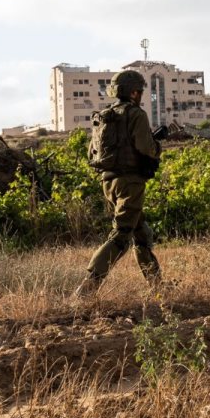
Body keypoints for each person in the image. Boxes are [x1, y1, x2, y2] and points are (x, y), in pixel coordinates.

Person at [74, 69, 165, 299]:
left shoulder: (105, 116)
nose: (141, 95)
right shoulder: (136, 114)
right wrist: (157, 145)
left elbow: (92, 152)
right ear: (134, 91)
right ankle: (88, 287)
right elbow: (145, 147)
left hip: (109, 182)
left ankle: (158, 288)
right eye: (140, 91)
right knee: (122, 235)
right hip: (130, 182)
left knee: (141, 234)